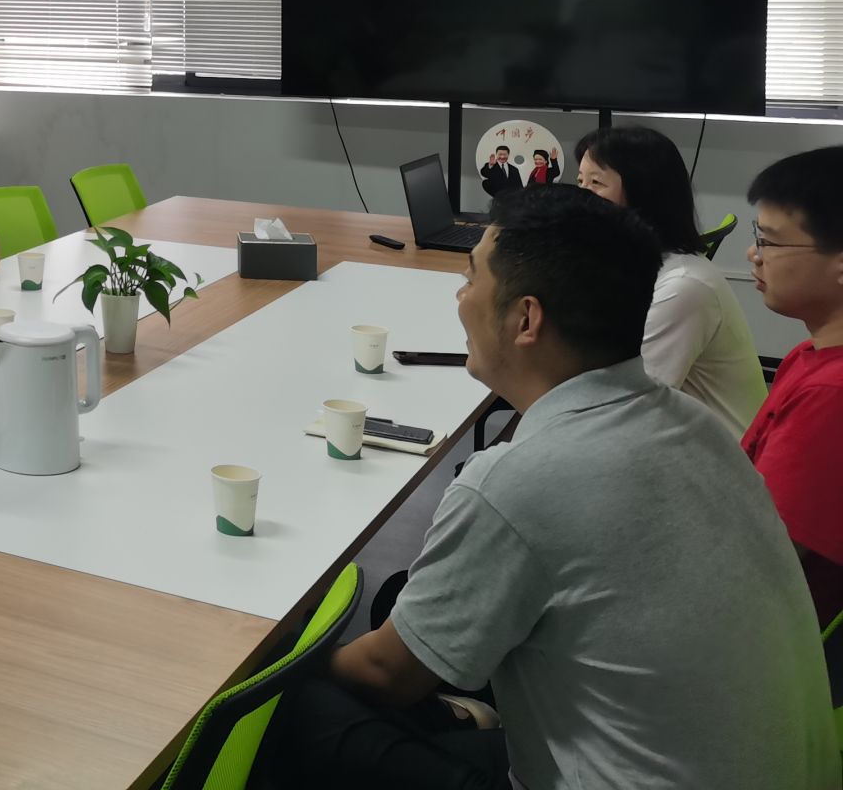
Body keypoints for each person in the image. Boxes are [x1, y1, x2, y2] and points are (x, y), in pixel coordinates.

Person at [269, 187, 836, 790]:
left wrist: (286, 664)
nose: (460, 297)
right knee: (407, 611)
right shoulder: (693, 424)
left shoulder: (517, 480)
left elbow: (386, 673)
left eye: (470, 278)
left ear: (526, 319)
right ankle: (462, 719)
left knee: (301, 710)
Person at [574, 125, 766, 433]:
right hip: (665, 435)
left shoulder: (683, 286)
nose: (580, 196)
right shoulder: (628, 265)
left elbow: (625, 406)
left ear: (643, 195)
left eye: (596, 183)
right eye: (580, 181)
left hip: (711, 452)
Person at [742, 146, 843, 629]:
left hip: (773, 643)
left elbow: (756, 563)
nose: (754, 254)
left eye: (769, 241)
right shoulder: (809, 355)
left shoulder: (831, 394)